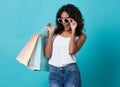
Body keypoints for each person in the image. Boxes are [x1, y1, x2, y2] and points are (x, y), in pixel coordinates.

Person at [45, 4, 86, 87]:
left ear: (73, 19)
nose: (64, 23)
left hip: (71, 72)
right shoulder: (55, 33)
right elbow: (48, 55)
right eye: (61, 20)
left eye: (66, 20)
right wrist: (51, 34)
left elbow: (71, 51)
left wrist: (73, 30)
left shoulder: (81, 36)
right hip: (54, 72)